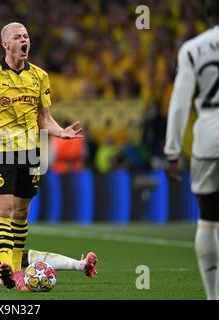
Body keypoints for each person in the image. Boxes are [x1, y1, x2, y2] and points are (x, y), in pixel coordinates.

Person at [0, 22, 93, 291]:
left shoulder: (40, 76)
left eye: (26, 36)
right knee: (3, 208)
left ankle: (16, 270)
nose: (24, 40)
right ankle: (7, 268)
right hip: (1, 151)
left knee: (21, 212)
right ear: (6, 44)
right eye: (17, 37)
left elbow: (45, 118)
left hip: (30, 152)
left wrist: (61, 132)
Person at [164, 0, 219, 300]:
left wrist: (172, 152)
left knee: (209, 219)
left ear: (208, 17)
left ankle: (213, 296)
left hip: (209, 137)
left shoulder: (193, 49)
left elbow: (180, 105)